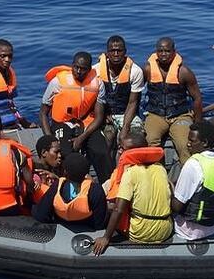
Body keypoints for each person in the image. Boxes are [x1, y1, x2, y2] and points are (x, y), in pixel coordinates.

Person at [93, 131, 173, 255]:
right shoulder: (160, 168)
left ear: (134, 152)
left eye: (123, 149)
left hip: (140, 233)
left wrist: (106, 238)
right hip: (165, 230)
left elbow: (118, 210)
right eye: (119, 147)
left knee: (110, 205)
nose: (119, 151)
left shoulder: (130, 173)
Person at [40, 51, 113, 182]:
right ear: (72, 65)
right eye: (76, 67)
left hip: (86, 124)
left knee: (102, 152)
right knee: (66, 154)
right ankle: (67, 186)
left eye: (83, 69)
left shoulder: (98, 84)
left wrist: (81, 138)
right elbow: (43, 113)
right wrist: (49, 137)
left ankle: (107, 188)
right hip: (62, 123)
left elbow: (99, 117)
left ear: (89, 69)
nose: (78, 71)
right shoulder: (57, 82)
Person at [142, 37, 204, 166]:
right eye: (160, 51)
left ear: (174, 52)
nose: (163, 54)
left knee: (185, 145)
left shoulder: (184, 72)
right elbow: (135, 93)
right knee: (150, 140)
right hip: (155, 114)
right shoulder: (147, 69)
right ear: (156, 52)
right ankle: (158, 173)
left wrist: (198, 124)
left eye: (167, 51)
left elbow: (197, 98)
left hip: (180, 116)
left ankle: (188, 176)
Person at [171, 121, 214, 240]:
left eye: (192, 141)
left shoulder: (193, 164)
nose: (188, 144)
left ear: (204, 143)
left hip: (189, 231)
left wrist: (169, 188)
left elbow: (176, 207)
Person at [32, 152, 108, 230]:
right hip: (85, 232)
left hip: (61, 231)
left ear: (65, 172)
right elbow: (100, 223)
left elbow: (41, 215)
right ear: (86, 172)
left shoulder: (57, 186)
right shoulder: (95, 190)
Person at [93, 35, 145, 147]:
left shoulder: (135, 72)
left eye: (119, 51)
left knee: (136, 138)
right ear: (107, 53)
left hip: (127, 113)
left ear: (125, 52)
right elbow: (94, 98)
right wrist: (103, 114)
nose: (116, 54)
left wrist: (125, 128)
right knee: (107, 137)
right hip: (104, 114)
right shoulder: (96, 70)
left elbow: (133, 102)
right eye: (112, 51)